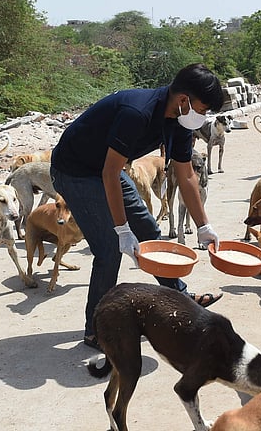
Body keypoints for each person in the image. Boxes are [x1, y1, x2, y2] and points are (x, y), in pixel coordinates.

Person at [51, 63, 225, 350]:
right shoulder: (138, 113)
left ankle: (180, 299)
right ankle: (96, 329)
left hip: (105, 167)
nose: (204, 117)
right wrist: (121, 229)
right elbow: (109, 174)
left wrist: (203, 225)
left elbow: (186, 174)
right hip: (74, 170)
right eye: (203, 109)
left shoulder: (180, 120)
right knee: (109, 248)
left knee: (147, 227)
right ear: (184, 101)